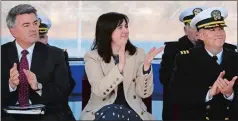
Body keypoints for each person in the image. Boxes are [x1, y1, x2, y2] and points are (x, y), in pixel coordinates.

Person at [79, 12, 163, 120]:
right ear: (107, 31)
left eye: (126, 26)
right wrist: (120, 67)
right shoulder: (92, 57)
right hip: (102, 113)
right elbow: (99, 91)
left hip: (133, 112)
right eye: (120, 27)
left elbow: (144, 93)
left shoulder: (138, 54)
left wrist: (146, 68)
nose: (126, 31)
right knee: (111, 113)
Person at [1, 4, 74, 121]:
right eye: (26, 25)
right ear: (13, 31)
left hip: (46, 114)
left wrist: (38, 87)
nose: (33, 28)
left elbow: (63, 93)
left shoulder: (56, 54)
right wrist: (10, 85)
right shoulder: (2, 53)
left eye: (35, 23)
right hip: (7, 115)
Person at [170, 7, 238, 120]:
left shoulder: (235, 59)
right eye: (212, 30)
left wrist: (230, 94)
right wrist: (209, 94)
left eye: (221, 29)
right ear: (200, 36)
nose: (219, 33)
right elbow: (177, 96)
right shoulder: (185, 60)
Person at [159, 6, 208, 120]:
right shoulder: (173, 50)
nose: (198, 30)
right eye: (193, 26)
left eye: (201, 25)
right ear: (185, 30)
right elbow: (165, 78)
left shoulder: (222, 50)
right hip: (180, 112)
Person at [38, 15, 76, 96]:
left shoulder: (59, 55)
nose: (38, 41)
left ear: (46, 38)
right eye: (33, 37)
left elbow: (68, 87)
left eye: (41, 37)